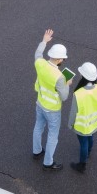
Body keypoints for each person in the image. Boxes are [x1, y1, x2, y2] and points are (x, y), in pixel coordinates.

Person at [33, 29, 71, 170]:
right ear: (60, 59)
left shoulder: (40, 63)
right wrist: (67, 84)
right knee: (52, 136)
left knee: (38, 127)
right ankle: (48, 163)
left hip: (40, 102)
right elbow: (64, 96)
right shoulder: (60, 77)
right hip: (53, 110)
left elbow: (38, 53)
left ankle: (36, 152)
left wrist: (44, 41)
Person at [68, 62, 97, 173]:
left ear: (83, 76)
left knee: (83, 143)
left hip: (82, 126)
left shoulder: (79, 93)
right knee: (90, 138)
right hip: (94, 122)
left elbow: (73, 112)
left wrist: (70, 124)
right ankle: (89, 152)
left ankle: (82, 165)